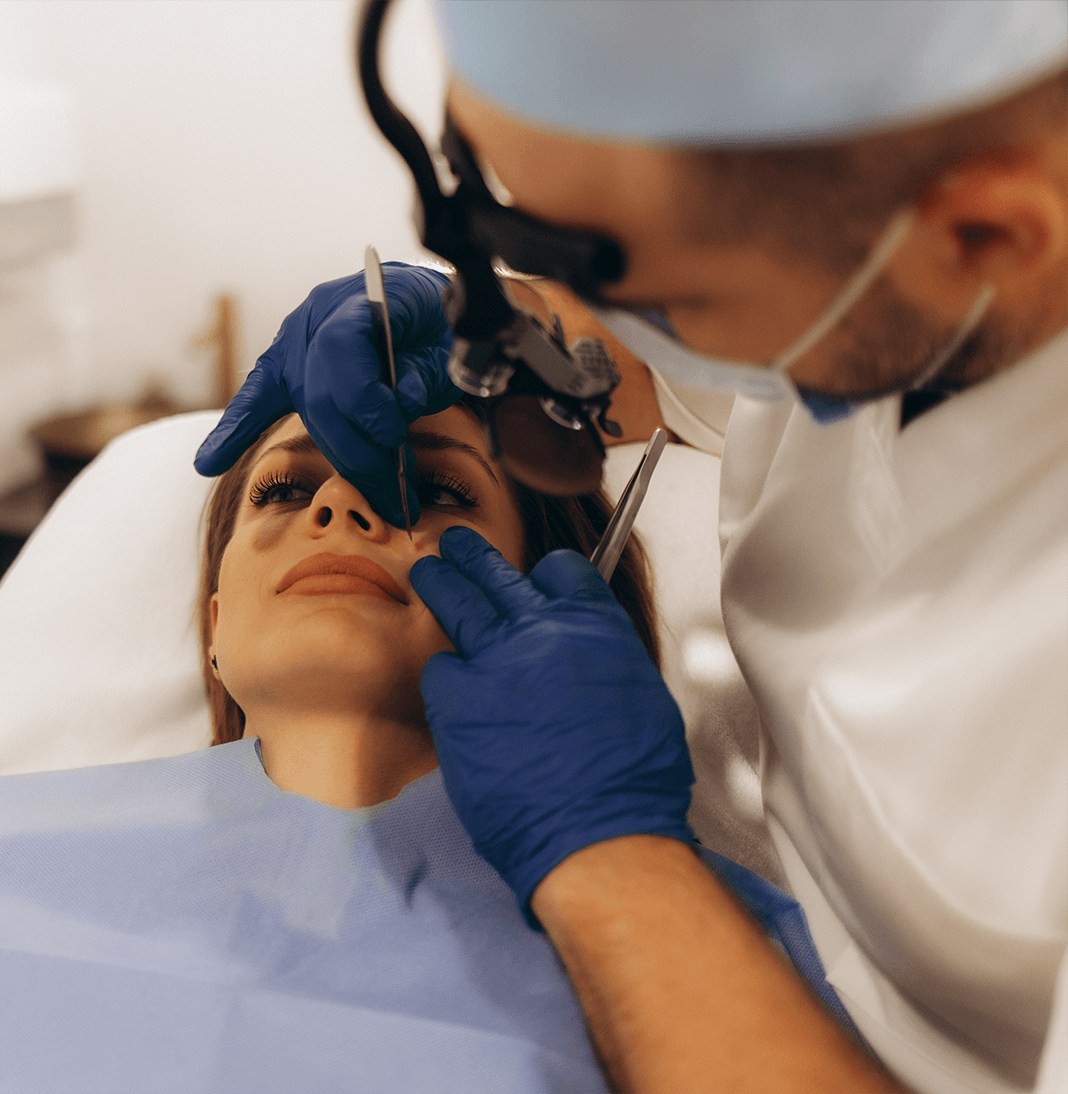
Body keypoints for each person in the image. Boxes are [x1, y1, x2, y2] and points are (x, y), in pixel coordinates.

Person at [194, 3, 1067, 1092]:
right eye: (493, 198)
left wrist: (602, 850)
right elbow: (625, 355)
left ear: (980, 237)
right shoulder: (858, 279)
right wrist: (492, 309)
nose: (563, 308)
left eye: (631, 279)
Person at [0, 403, 804, 1093]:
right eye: (282, 489)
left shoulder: (703, 961)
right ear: (215, 626)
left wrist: (610, 854)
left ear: (562, 610)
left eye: (429, 485)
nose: (340, 504)